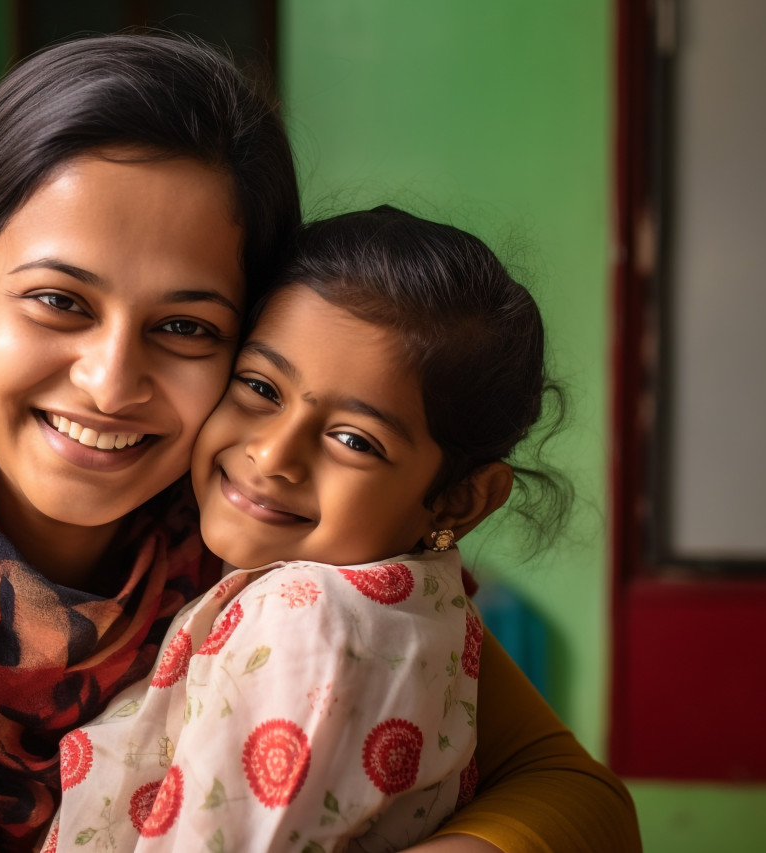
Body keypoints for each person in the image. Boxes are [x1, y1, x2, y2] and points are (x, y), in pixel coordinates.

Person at [0, 34, 639, 853]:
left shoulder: (255, 549)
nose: (110, 381)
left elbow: (578, 800)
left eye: (187, 327)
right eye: (57, 301)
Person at [47, 206, 557, 851]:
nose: (273, 456)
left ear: (461, 500)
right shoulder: (414, 608)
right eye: (260, 387)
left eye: (354, 440)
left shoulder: (305, 620)